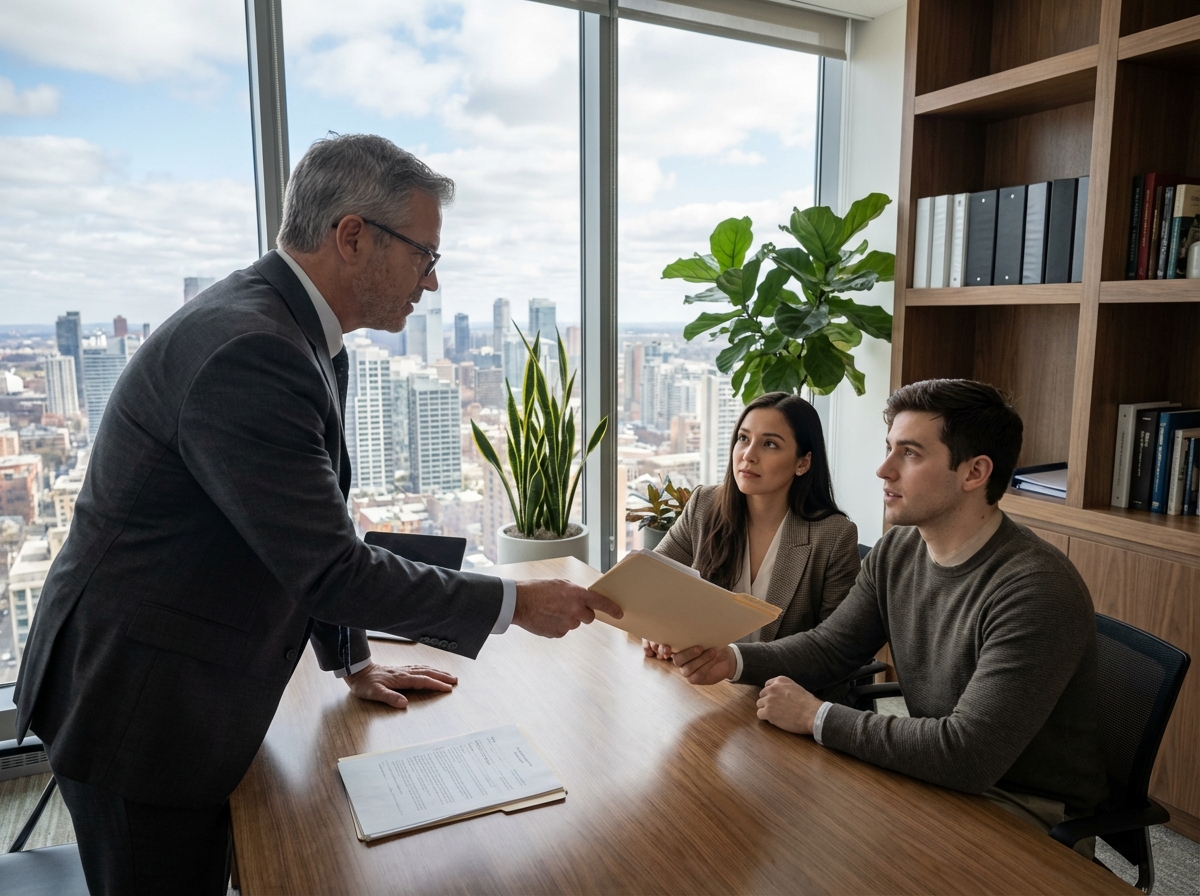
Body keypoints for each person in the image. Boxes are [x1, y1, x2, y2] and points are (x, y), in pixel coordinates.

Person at [13, 134, 622, 894]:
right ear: (353, 236)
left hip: (176, 682)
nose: (432, 283)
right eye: (425, 256)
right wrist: (515, 602)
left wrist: (353, 660)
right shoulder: (251, 350)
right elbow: (330, 566)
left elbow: (310, 527)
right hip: (144, 711)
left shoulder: (299, 336)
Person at [669, 379, 1107, 853]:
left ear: (975, 472)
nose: (883, 469)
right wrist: (731, 660)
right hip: (929, 780)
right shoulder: (900, 549)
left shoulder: (1034, 589)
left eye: (911, 454)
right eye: (888, 449)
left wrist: (818, 716)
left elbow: (968, 756)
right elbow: (832, 646)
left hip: (1018, 812)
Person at [645, 392, 859, 664]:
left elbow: (834, 649)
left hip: (779, 692)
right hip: (702, 685)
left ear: (802, 463)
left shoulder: (833, 537)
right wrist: (656, 629)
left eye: (769, 444)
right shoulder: (704, 505)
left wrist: (738, 665)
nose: (748, 455)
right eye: (743, 439)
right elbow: (651, 583)